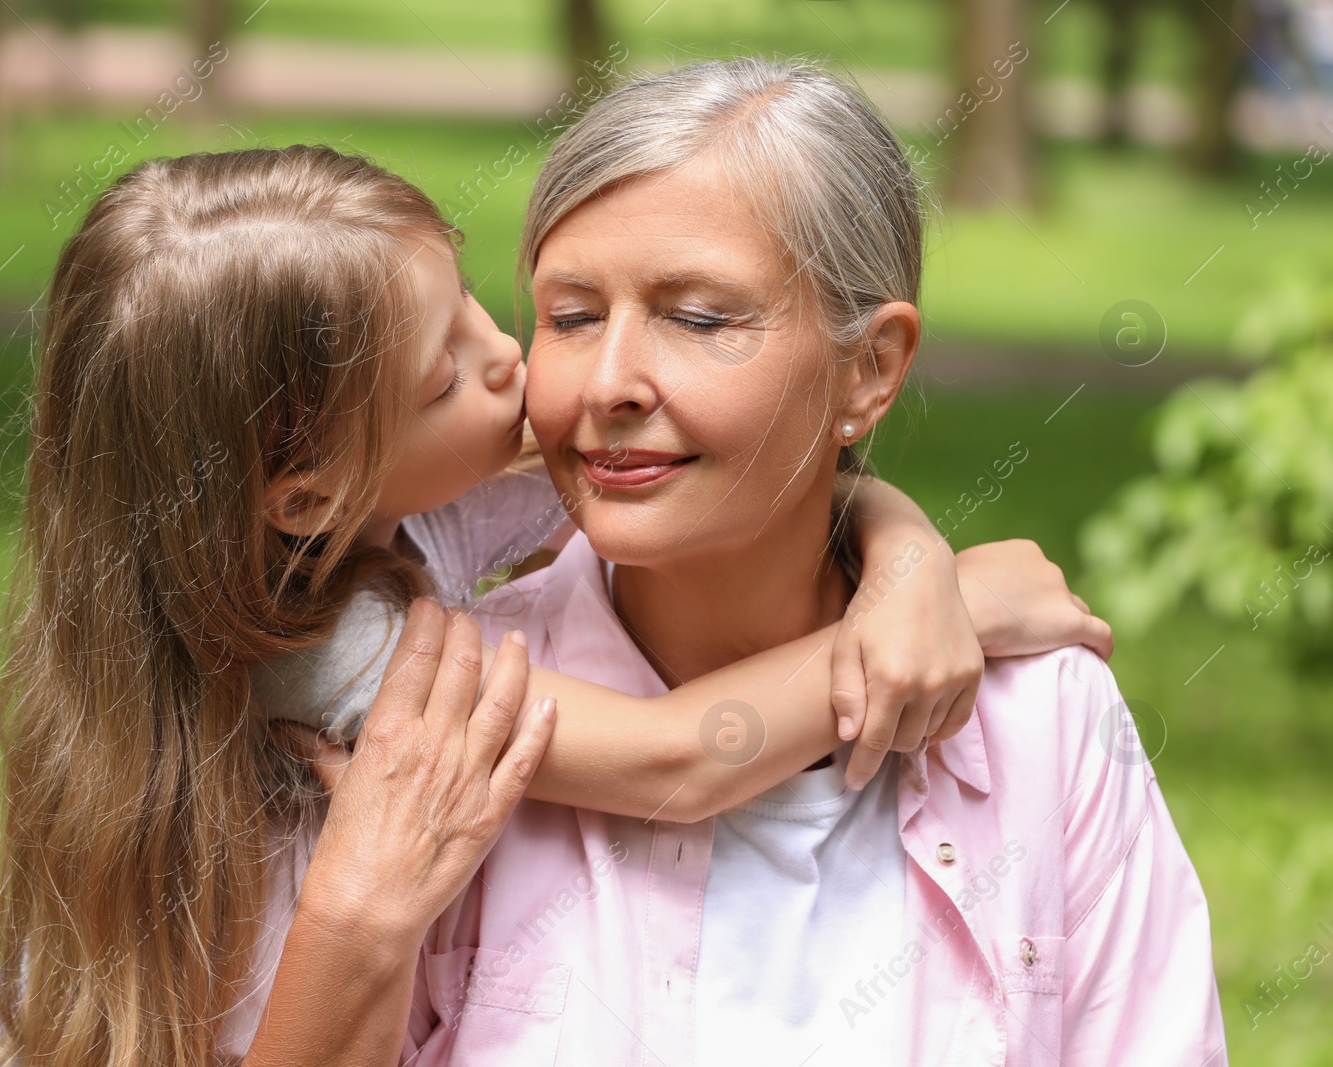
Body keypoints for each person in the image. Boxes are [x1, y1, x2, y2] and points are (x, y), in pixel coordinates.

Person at [0, 143, 1110, 1067]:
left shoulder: (378, 508)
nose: (511, 361)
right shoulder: (334, 657)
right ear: (305, 493)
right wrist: (930, 609)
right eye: (444, 374)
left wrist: (902, 552)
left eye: (478, 308)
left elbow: (743, 473)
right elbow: (674, 760)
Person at [245, 59, 1227, 1066]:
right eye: (572, 316)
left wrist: (908, 557)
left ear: (871, 368)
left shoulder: (1045, 721)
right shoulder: (422, 725)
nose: (610, 381)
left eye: (700, 317)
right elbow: (674, 751)